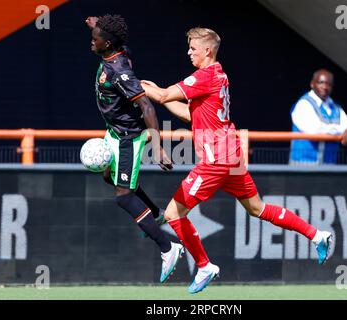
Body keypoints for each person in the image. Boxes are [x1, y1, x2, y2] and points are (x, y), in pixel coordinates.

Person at [141, 27, 333, 294]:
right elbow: (189, 114)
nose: (189, 52)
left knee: (174, 213)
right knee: (257, 208)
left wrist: (141, 87)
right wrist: (158, 95)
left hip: (216, 159)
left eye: (193, 48)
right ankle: (317, 235)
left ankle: (205, 265)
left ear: (207, 50)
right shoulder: (219, 74)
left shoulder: (205, 76)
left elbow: (163, 95)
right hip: (231, 154)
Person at [86, 14, 184, 283]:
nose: (91, 42)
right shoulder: (114, 49)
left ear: (107, 43)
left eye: (95, 39)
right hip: (114, 132)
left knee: (124, 197)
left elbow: (147, 107)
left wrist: (159, 148)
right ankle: (154, 214)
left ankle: (168, 247)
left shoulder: (120, 71)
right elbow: (109, 37)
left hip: (128, 138)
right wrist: (95, 25)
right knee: (109, 176)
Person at [289, 69, 347, 165]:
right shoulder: (303, 104)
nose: (325, 87)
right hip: (303, 166)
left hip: (328, 167)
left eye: (329, 84)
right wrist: (342, 130)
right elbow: (315, 130)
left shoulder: (334, 107)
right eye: (321, 83)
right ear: (312, 84)